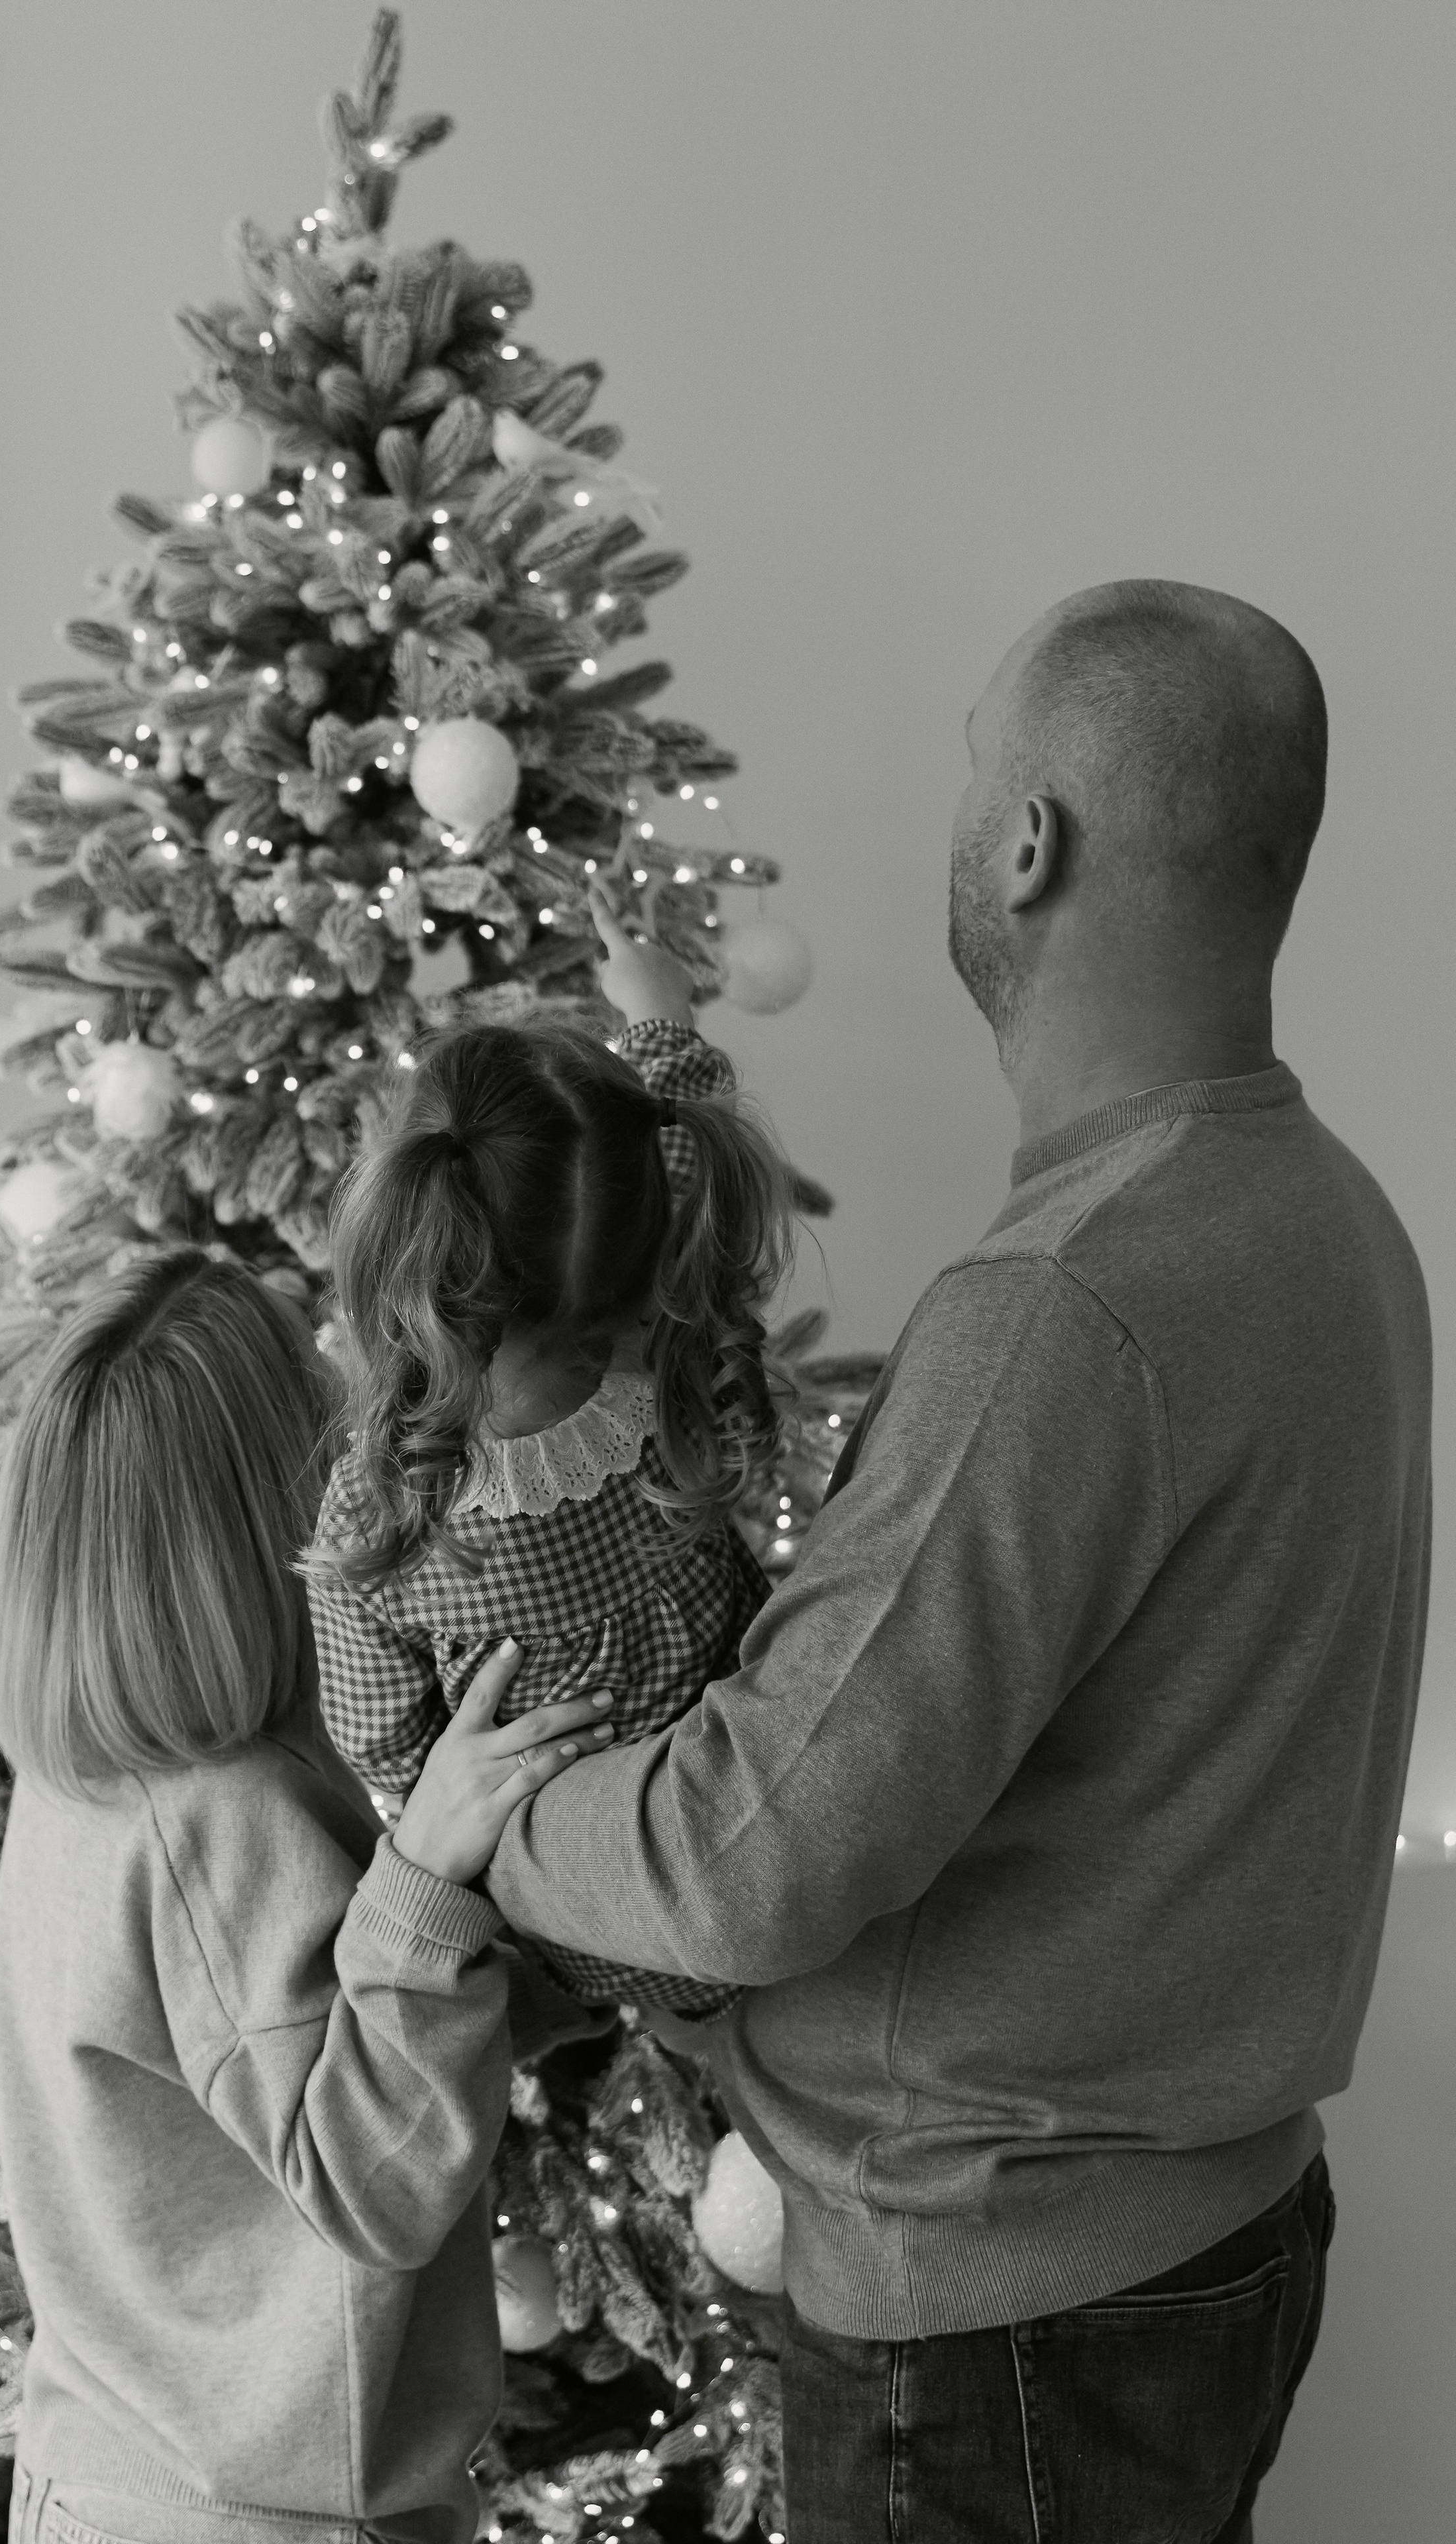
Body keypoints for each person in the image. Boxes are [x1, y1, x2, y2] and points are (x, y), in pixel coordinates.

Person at [488, 581, 1433, 2541]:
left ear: (1031, 840)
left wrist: (473, 1812)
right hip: (1216, 2236)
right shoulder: (1336, 1223)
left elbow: (757, 1853)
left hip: (1012, 2315)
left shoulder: (1067, 1301)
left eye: (970, 773)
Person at [0, 1249, 613, 2544]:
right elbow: (366, 2177)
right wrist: (428, 1874)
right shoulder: (221, 1823)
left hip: (104, 2472)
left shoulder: (79, 1783)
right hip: (254, 2514)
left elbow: (284, 2058)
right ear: (282, 1506)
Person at [305, 912, 792, 2018]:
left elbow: (389, 1751)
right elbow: (677, 1143)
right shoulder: (673, 1333)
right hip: (760, 1852)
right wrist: (659, 1018)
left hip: (577, 1935)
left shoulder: (377, 1508)